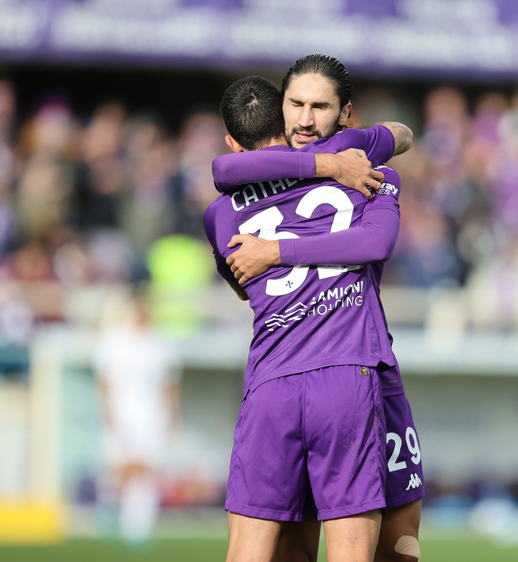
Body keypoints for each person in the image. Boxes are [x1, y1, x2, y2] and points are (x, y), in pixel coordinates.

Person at [211, 55, 424, 562]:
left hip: (275, 379)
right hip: (350, 372)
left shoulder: (219, 212)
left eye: (319, 106)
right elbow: (401, 138)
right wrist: (330, 164)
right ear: (281, 112)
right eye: (297, 105)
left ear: (344, 113)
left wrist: (273, 251)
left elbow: (243, 281)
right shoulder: (363, 165)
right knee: (391, 548)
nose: (306, 119)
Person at [94, 294, 181, 545]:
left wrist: (173, 416)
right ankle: (109, 512)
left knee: (148, 469)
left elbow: (170, 384)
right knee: (122, 467)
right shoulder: (115, 341)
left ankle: (137, 526)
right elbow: (104, 381)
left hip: (152, 416)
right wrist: (108, 412)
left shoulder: (160, 344)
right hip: (123, 413)